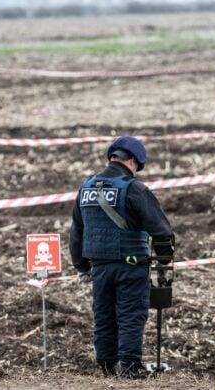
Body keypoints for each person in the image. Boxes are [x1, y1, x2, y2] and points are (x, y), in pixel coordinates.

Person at [69, 136, 175, 379]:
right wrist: (164, 260)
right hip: (131, 265)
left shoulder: (86, 187)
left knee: (104, 314)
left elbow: (77, 230)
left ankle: (106, 365)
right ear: (132, 161)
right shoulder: (134, 188)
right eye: (137, 165)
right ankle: (129, 366)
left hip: (100, 267)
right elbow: (162, 231)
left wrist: (82, 266)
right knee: (130, 314)